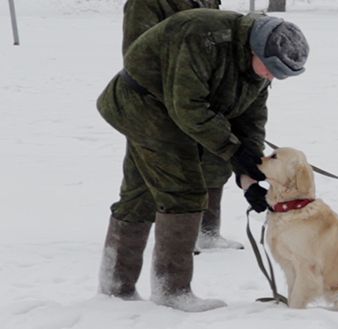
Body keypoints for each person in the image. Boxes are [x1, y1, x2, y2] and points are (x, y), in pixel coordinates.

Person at [97, 8, 309, 312]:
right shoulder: (201, 35)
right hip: (144, 105)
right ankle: (172, 291)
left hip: (172, 113)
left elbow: (251, 119)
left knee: (140, 194)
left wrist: (248, 173)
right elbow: (188, 107)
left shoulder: (257, 66)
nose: (272, 77)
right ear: (256, 48)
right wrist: (233, 151)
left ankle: (115, 287)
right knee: (183, 189)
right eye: (272, 69)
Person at [121, 0, 241, 253]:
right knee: (147, 177)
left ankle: (206, 232)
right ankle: (143, 248)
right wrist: (179, 92)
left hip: (200, 96)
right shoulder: (145, 3)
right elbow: (136, 53)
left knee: (214, 161)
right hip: (154, 100)